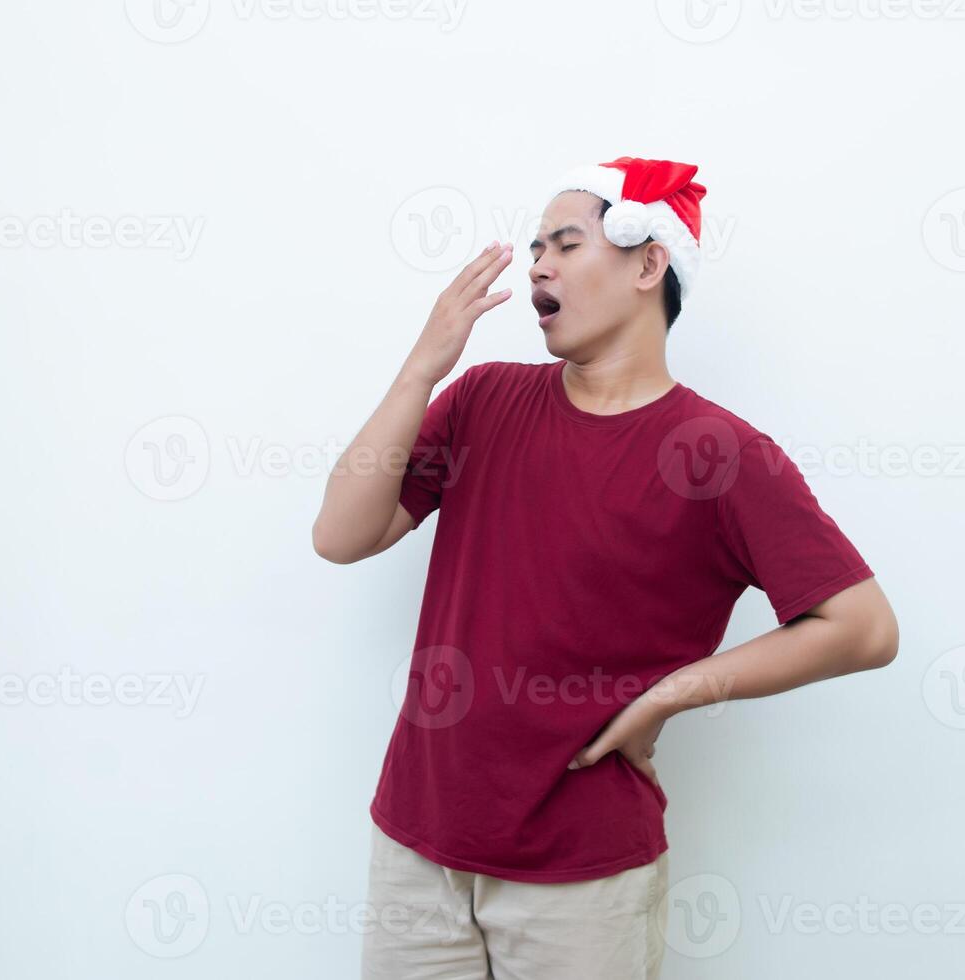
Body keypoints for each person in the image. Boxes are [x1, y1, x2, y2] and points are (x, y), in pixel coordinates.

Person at [313, 156, 899, 979]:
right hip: (417, 846)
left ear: (648, 262)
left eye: (566, 243)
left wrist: (670, 694)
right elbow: (341, 536)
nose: (538, 265)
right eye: (534, 247)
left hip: (582, 879)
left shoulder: (723, 454)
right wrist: (423, 366)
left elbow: (864, 627)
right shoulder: (483, 398)